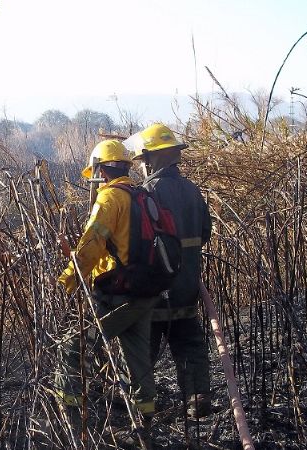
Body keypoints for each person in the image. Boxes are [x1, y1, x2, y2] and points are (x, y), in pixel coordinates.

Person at [54, 139, 159, 445]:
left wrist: (67, 279)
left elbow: (90, 247)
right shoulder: (141, 195)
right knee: (137, 359)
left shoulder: (110, 199)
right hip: (145, 292)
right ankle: (145, 427)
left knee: (72, 347)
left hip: (119, 294)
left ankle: (71, 422)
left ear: (101, 169)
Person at [127, 123, 214, 419]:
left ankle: (141, 409)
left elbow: (135, 242)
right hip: (187, 286)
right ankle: (197, 396)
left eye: (143, 160)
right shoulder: (192, 190)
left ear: (150, 159)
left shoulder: (146, 192)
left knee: (143, 349)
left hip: (155, 290)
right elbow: (205, 233)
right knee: (189, 342)